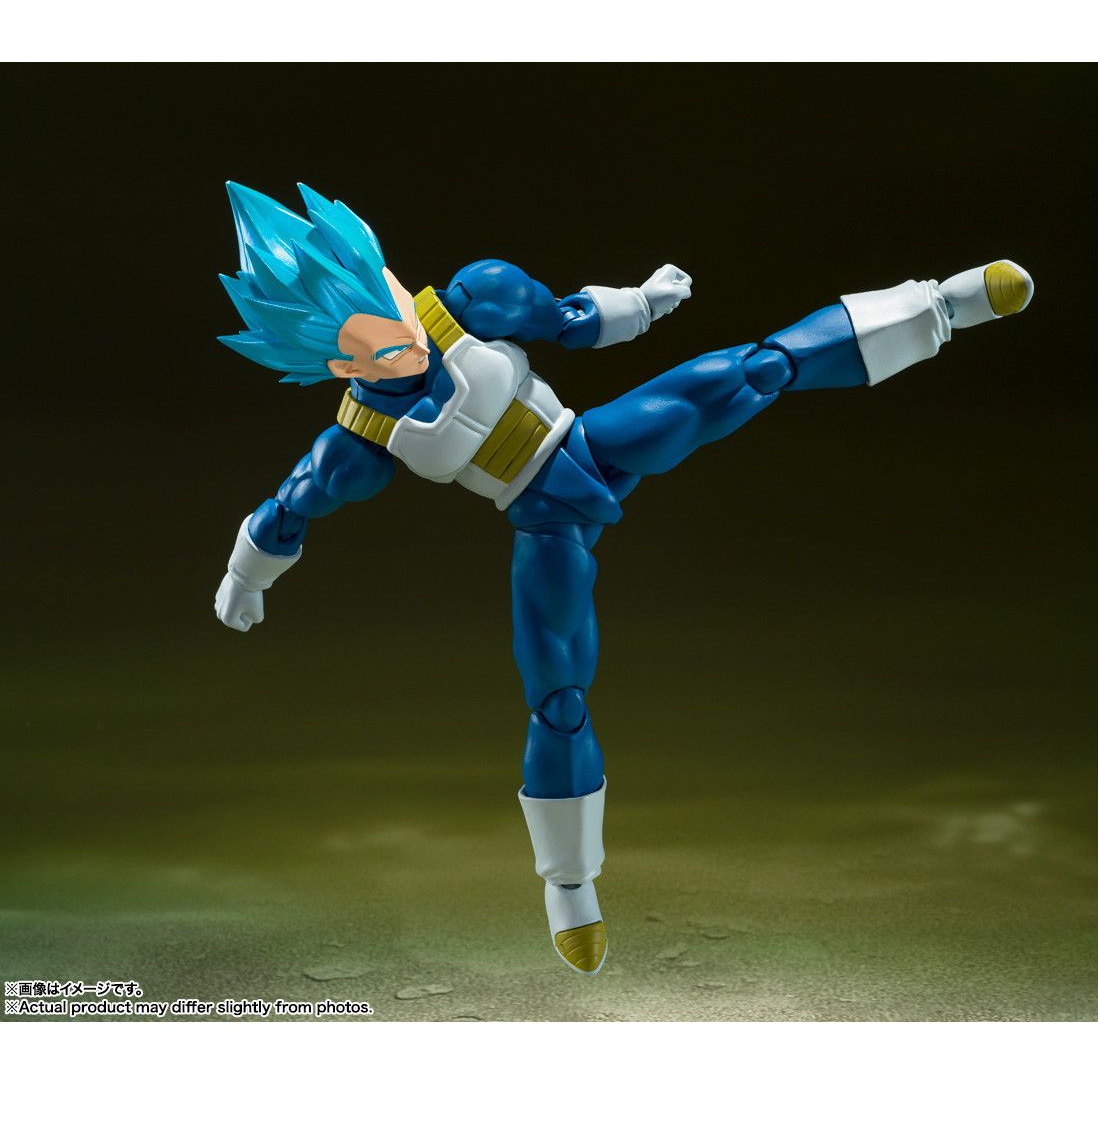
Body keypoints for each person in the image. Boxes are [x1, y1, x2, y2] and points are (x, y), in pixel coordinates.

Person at [213, 182, 1035, 975]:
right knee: (557, 697)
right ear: (339, 364)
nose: (411, 339)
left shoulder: (474, 299)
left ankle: (939, 305)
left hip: (592, 444)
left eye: (393, 302)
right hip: (544, 523)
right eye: (383, 347)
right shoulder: (360, 436)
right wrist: (247, 573)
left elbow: (568, 318)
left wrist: (642, 302)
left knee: (754, 371)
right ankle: (570, 885)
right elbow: (292, 506)